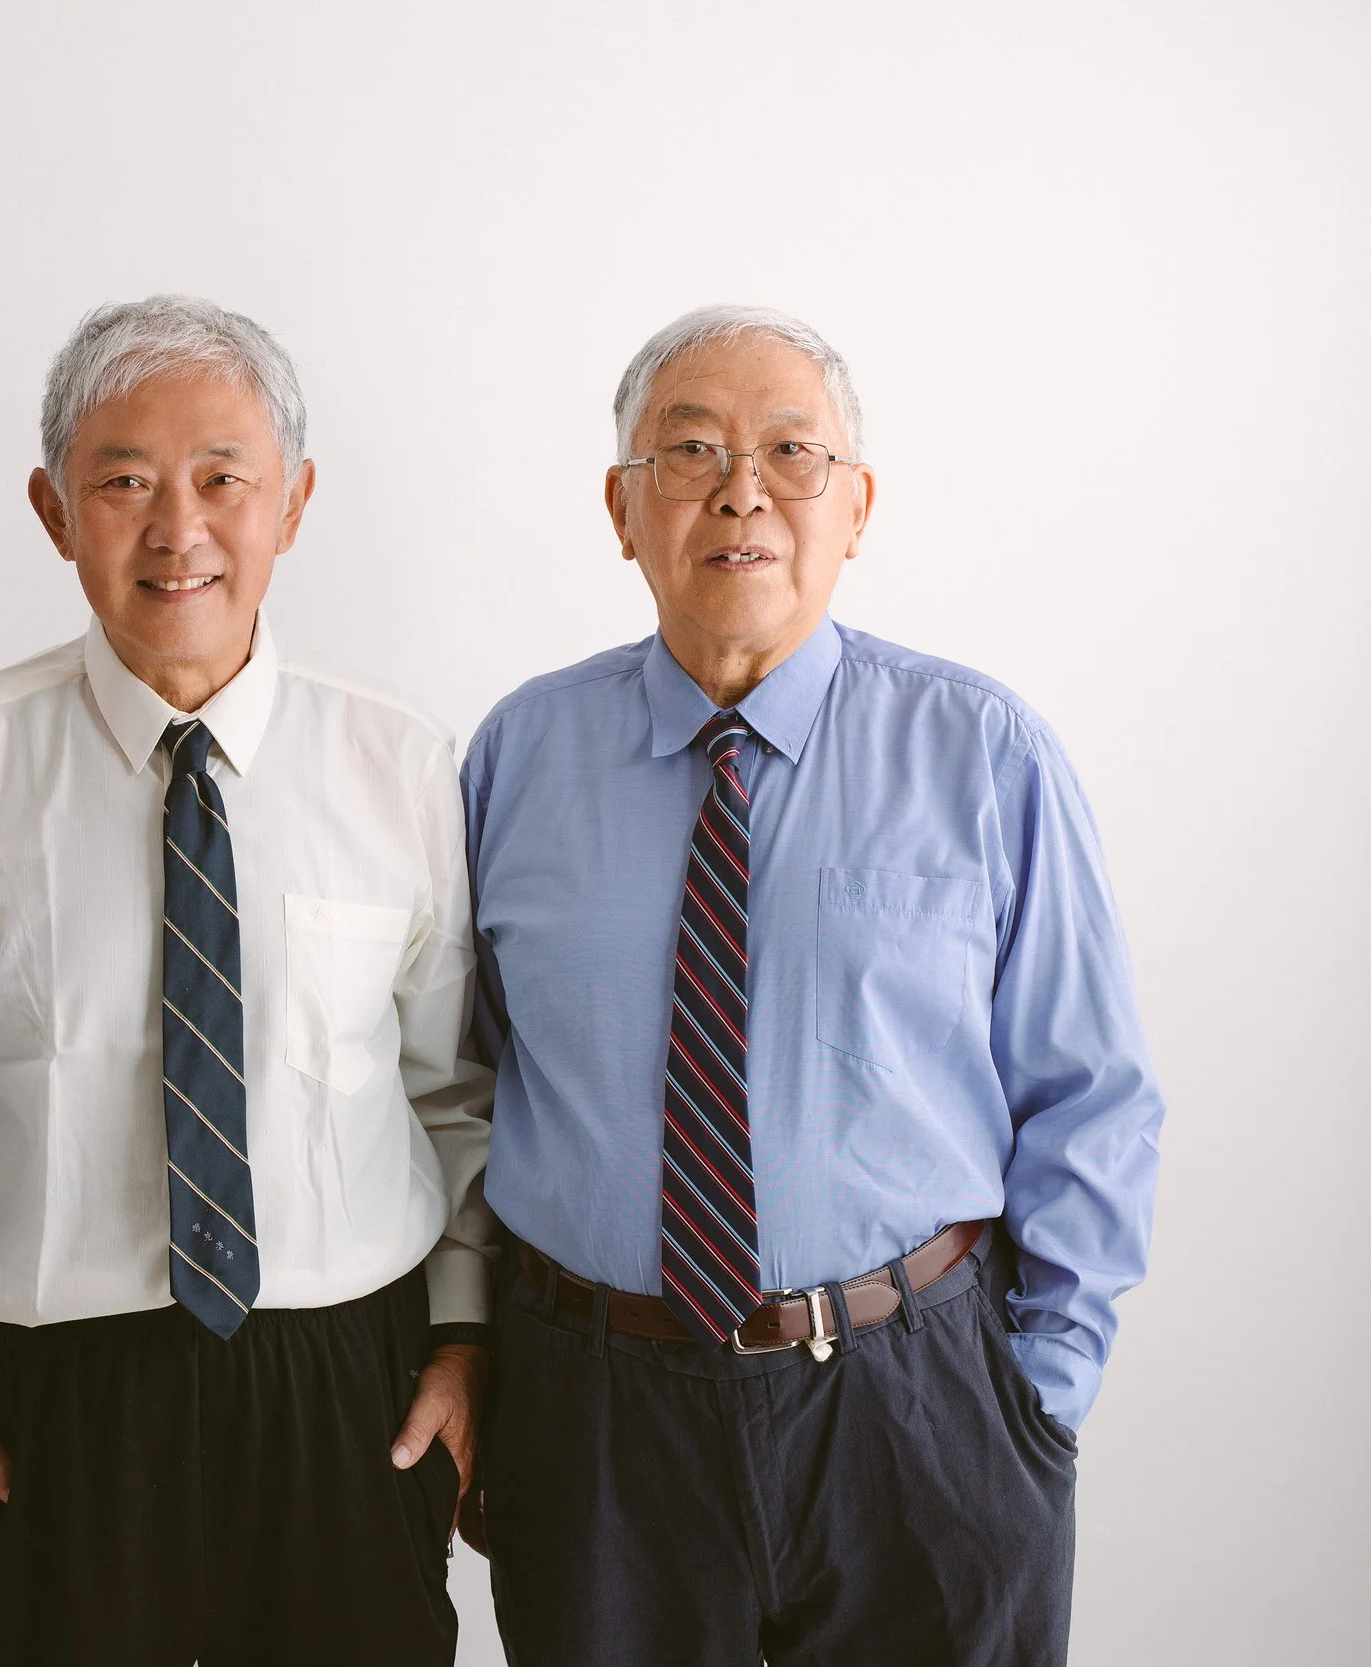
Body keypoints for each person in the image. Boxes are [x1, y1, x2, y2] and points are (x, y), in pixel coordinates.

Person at [463, 305, 1165, 1665]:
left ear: (857, 505)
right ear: (622, 507)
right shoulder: (517, 758)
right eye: (692, 451)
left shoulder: (984, 751)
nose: (743, 490)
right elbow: (462, 1080)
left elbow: (1094, 1094)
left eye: (793, 452)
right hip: (600, 1412)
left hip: (920, 1403)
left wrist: (1036, 1399)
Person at [0, 295, 496, 1666]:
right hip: (60, 1397)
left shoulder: (400, 763)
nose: (177, 528)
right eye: (123, 481)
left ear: (292, 501)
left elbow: (457, 1092)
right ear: (53, 509)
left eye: (222, 478)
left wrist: (468, 1341)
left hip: (341, 1388)